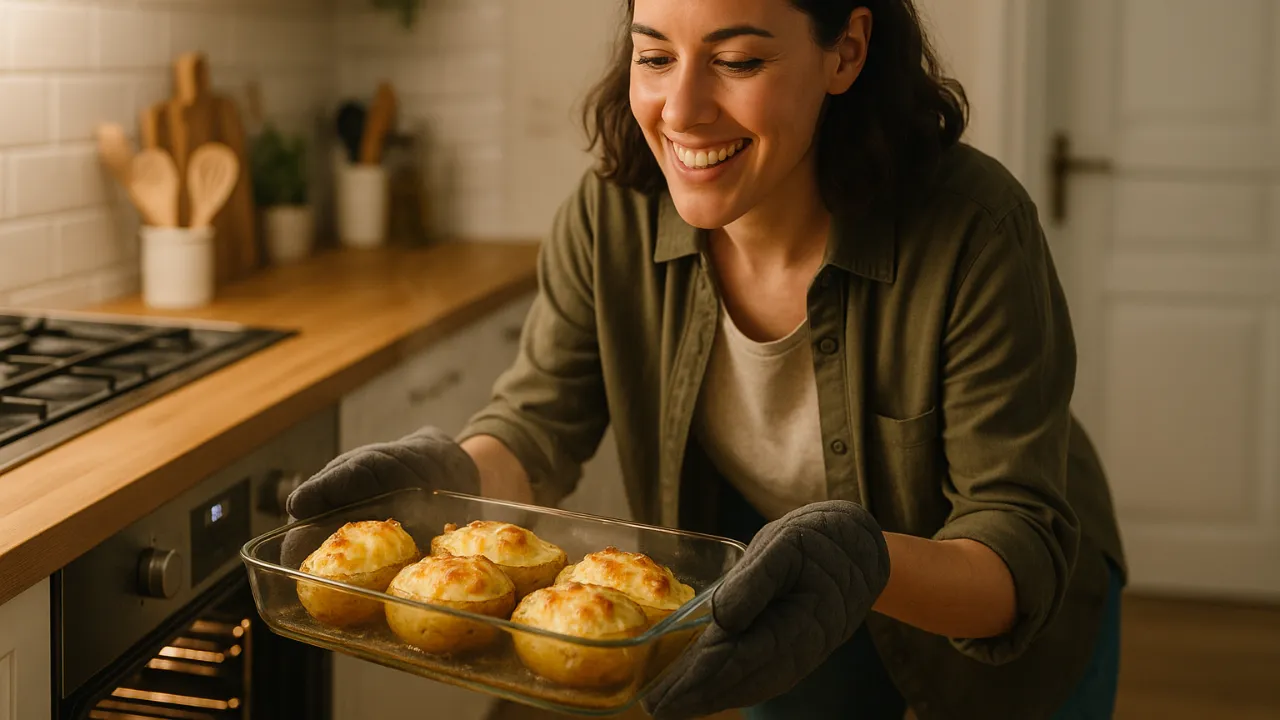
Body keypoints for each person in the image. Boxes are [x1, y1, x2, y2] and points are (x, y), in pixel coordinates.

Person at [288, 1, 1127, 718]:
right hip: (792, 595)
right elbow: (538, 424)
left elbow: (1014, 546)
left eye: (736, 59)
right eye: (654, 55)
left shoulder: (973, 230)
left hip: (987, 619)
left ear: (847, 51)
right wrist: (445, 479)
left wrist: (863, 560)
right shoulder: (611, 215)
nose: (681, 110)